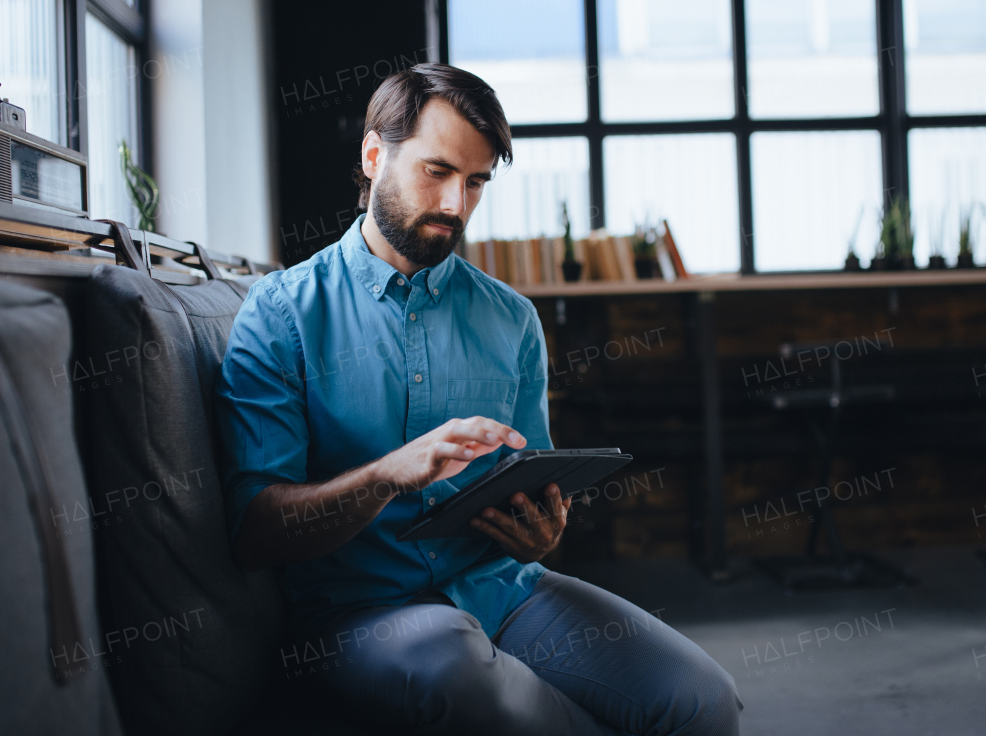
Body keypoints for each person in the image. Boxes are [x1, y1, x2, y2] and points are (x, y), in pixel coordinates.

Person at [215, 63, 742, 735]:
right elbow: (256, 531)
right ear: (375, 156)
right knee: (465, 680)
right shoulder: (281, 314)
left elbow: (534, 490)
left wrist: (543, 531)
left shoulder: (512, 320)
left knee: (703, 698)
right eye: (437, 171)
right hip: (362, 610)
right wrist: (385, 475)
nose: (456, 205)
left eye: (476, 182)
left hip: (504, 591)